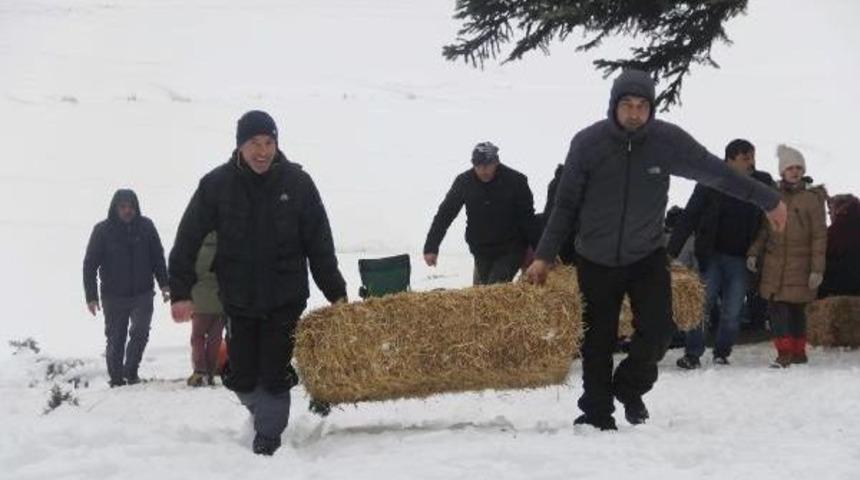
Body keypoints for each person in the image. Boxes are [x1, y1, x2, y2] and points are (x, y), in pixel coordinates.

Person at [526, 69, 786, 431]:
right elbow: (565, 204)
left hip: (646, 254)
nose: (634, 113)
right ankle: (597, 413)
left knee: (660, 331)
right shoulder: (588, 143)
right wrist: (543, 255)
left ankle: (630, 387)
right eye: (627, 105)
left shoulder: (667, 142)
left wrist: (767, 200)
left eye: (642, 106)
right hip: (595, 258)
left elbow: (717, 173)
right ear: (613, 106)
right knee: (598, 340)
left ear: (652, 108)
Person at [168, 110, 347, 455]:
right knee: (243, 376)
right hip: (238, 297)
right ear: (240, 146)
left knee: (273, 372)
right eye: (254, 143)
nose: (262, 151)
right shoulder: (216, 185)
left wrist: (335, 291)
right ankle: (260, 412)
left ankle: (268, 438)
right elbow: (188, 238)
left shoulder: (298, 183)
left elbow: (319, 243)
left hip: (285, 297)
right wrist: (180, 291)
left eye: (269, 142)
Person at [668, 139, 775, 369]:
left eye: (753, 157)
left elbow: (778, 204)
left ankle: (722, 352)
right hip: (711, 255)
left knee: (733, 310)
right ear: (730, 160)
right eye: (745, 158)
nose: (751, 163)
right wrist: (670, 253)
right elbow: (689, 216)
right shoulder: (711, 181)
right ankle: (693, 354)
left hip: (741, 258)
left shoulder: (761, 182)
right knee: (700, 306)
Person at [747, 145, 827, 368]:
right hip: (775, 264)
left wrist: (817, 269)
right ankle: (784, 353)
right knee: (777, 310)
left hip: (800, 265)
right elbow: (765, 229)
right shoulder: (774, 197)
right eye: (790, 168)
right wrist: (754, 252)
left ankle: (798, 351)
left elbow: (819, 236)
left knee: (797, 311)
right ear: (782, 172)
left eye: (798, 168)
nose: (794, 172)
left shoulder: (812, 199)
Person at [83, 189, 169, 387]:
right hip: (113, 296)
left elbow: (157, 256)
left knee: (140, 332)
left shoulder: (146, 227)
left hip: (143, 293)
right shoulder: (102, 231)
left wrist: (164, 283)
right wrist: (91, 296)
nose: (127, 211)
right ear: (115, 208)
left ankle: (131, 372)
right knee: (116, 338)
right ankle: (116, 379)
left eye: (131, 207)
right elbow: (90, 265)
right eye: (122, 207)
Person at [424, 142, 539, 285]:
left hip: (511, 248)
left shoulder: (516, 181)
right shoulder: (464, 182)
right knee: (483, 293)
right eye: (478, 165)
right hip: (480, 249)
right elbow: (445, 214)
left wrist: (540, 253)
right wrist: (431, 246)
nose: (483, 170)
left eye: (487, 165)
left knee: (494, 289)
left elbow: (528, 218)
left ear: (496, 162)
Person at [186, 232, 225, 387]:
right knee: (215, 339)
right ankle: (210, 373)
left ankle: (200, 371)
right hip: (220, 302)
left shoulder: (196, 250)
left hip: (201, 302)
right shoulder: (226, 249)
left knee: (197, 337)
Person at [818, 193, 860, 297]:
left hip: (843, 283)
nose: (830, 215)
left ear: (840, 209)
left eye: (830, 211)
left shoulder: (839, 228)